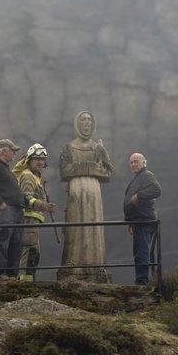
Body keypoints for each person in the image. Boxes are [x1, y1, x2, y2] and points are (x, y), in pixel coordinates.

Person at [57, 111, 114, 283]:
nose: (86, 123)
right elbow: (64, 170)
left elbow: (108, 171)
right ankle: (73, 265)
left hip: (94, 191)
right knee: (75, 225)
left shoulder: (98, 147)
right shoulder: (68, 147)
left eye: (89, 120)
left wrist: (86, 168)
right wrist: (90, 167)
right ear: (77, 124)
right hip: (76, 190)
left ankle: (95, 265)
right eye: (83, 120)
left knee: (93, 223)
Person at [0, 138, 25, 280]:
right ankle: (0, 273)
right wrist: (1, 203)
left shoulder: (7, 170)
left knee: (16, 241)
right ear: (4, 150)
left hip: (17, 210)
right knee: (3, 237)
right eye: (12, 151)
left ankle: (12, 274)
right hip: (3, 209)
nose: (14, 154)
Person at [15, 143, 55, 281]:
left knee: (34, 252)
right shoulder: (27, 176)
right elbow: (26, 197)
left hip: (34, 221)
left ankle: (28, 280)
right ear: (30, 160)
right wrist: (42, 205)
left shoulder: (36, 177)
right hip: (28, 219)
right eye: (37, 159)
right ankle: (24, 284)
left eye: (42, 159)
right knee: (30, 250)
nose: (40, 162)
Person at [123, 153, 161, 285]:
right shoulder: (138, 178)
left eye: (136, 161)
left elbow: (157, 190)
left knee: (142, 252)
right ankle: (141, 280)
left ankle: (142, 282)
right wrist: (130, 221)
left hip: (145, 220)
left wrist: (139, 195)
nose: (133, 164)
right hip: (137, 220)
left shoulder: (147, 175)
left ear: (144, 162)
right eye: (131, 162)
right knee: (139, 252)